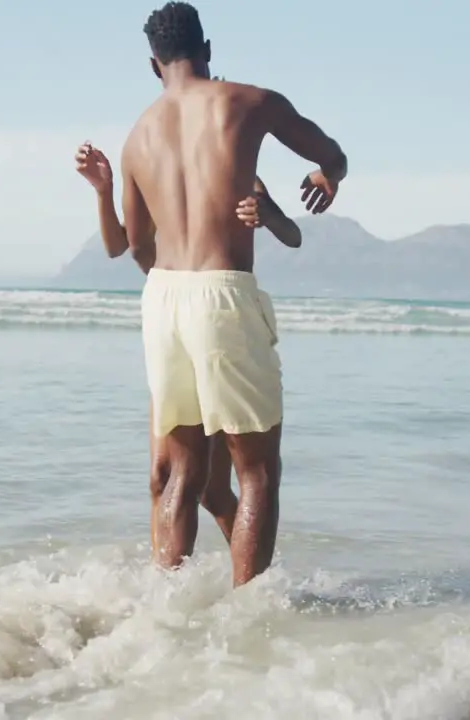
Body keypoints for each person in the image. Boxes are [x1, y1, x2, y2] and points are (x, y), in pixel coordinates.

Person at [120, 1, 347, 586]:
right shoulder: (249, 101)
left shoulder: (137, 136)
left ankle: (164, 610)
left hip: (163, 299)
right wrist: (329, 178)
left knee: (182, 476)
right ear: (208, 49)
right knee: (257, 474)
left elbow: (137, 245)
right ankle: (249, 626)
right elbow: (332, 154)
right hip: (221, 295)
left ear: (153, 65)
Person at [74, 138, 302, 561]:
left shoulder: (239, 172)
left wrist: (269, 215)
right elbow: (118, 246)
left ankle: (253, 587)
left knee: (213, 485)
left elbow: (293, 236)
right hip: (172, 323)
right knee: (169, 479)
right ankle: (172, 596)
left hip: (216, 323)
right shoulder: (154, 171)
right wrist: (103, 192)